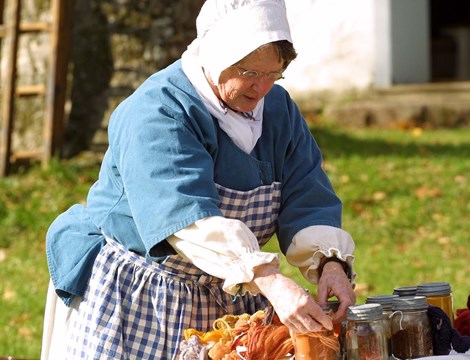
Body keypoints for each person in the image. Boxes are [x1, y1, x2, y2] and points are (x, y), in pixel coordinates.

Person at [40, 0, 356, 358]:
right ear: (216, 55)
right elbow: (186, 217)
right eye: (249, 73)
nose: (261, 89)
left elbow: (307, 192)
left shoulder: (278, 109)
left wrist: (330, 263)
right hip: (141, 294)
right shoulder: (159, 110)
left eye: (274, 75)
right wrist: (269, 281)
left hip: (232, 288)